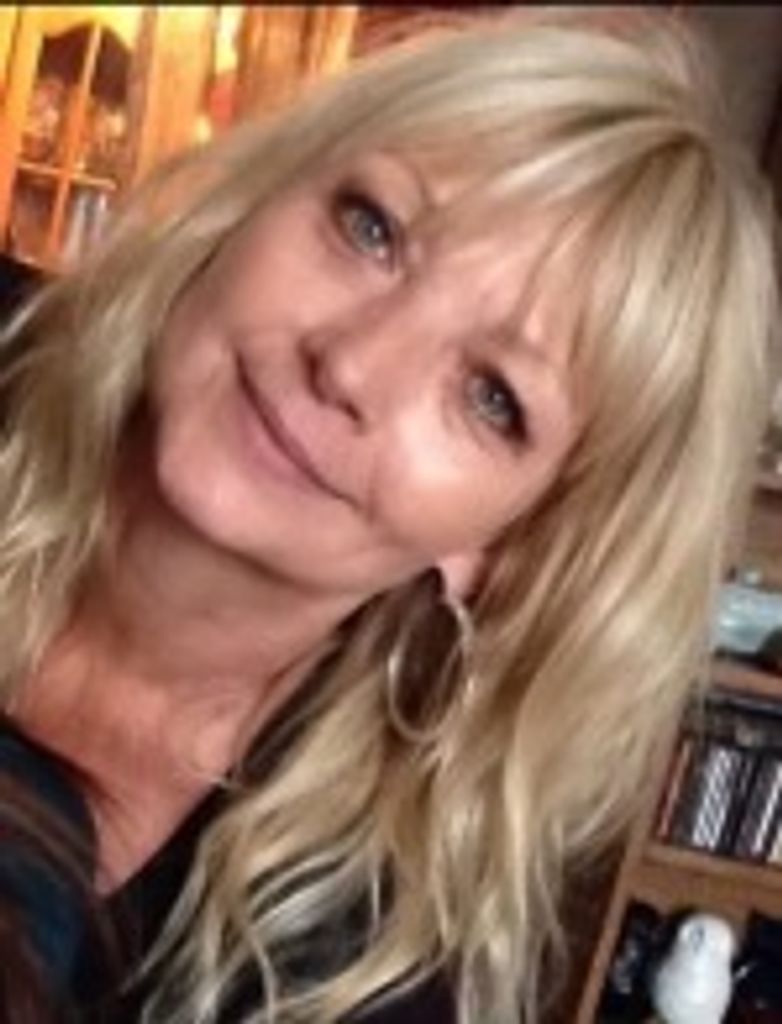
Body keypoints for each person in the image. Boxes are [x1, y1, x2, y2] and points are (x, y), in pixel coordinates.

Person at [0, 6, 777, 1023]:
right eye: (371, 228)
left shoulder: (362, 981)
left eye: (491, 397)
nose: (353, 364)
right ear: (259, 198)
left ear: (511, 546)